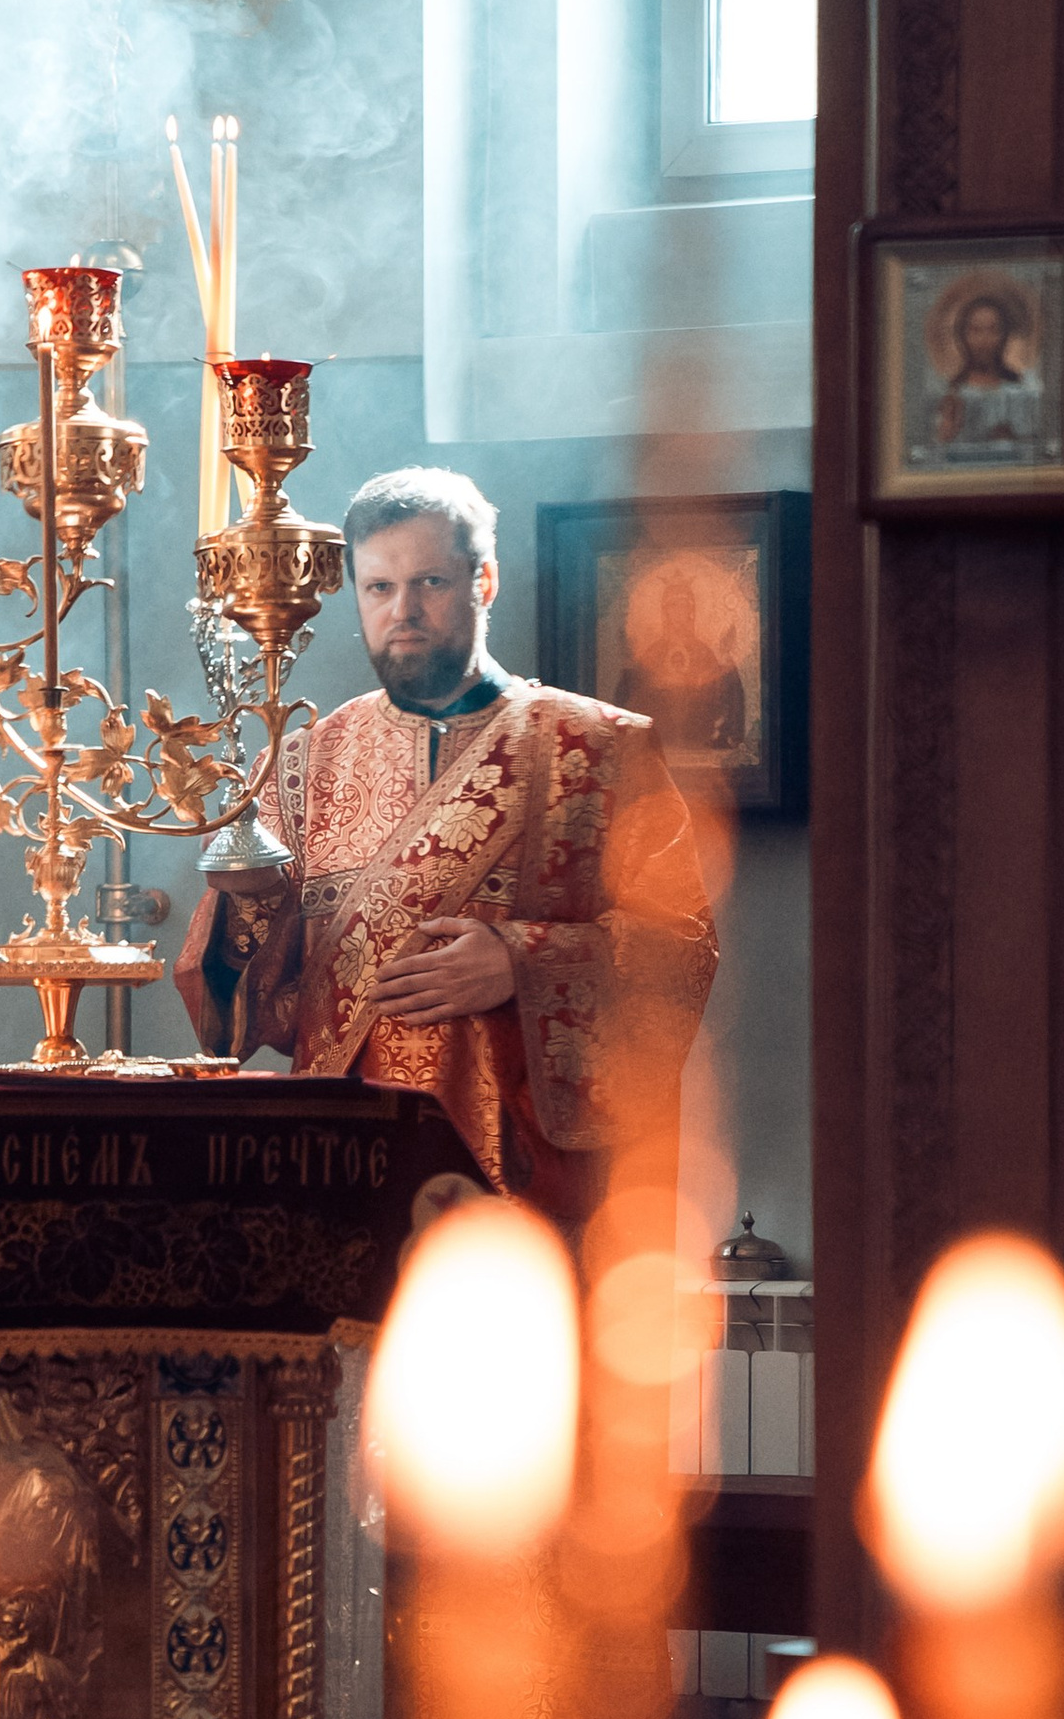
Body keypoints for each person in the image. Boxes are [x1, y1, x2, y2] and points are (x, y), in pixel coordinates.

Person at [175, 466, 718, 1224]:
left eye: (429, 581)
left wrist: (521, 960)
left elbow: (682, 946)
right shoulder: (302, 763)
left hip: (534, 1174)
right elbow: (247, 1007)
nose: (404, 611)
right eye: (379, 587)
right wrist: (244, 921)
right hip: (345, 1171)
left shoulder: (602, 749)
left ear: (483, 580)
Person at [613, 568, 749, 756]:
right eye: (673, 606)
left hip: (698, 739)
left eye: (684, 606)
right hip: (659, 742)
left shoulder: (703, 652)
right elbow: (635, 698)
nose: (678, 612)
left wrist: (716, 673)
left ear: (691, 611)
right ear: (665, 611)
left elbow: (719, 698)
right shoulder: (653, 652)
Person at [932, 290, 1045, 462]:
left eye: (993, 330)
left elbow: (1038, 450)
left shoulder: (1022, 389)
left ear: (1005, 335)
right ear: (962, 336)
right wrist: (948, 431)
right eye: (976, 330)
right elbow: (934, 451)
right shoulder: (949, 391)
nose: (984, 340)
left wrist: (1011, 439)